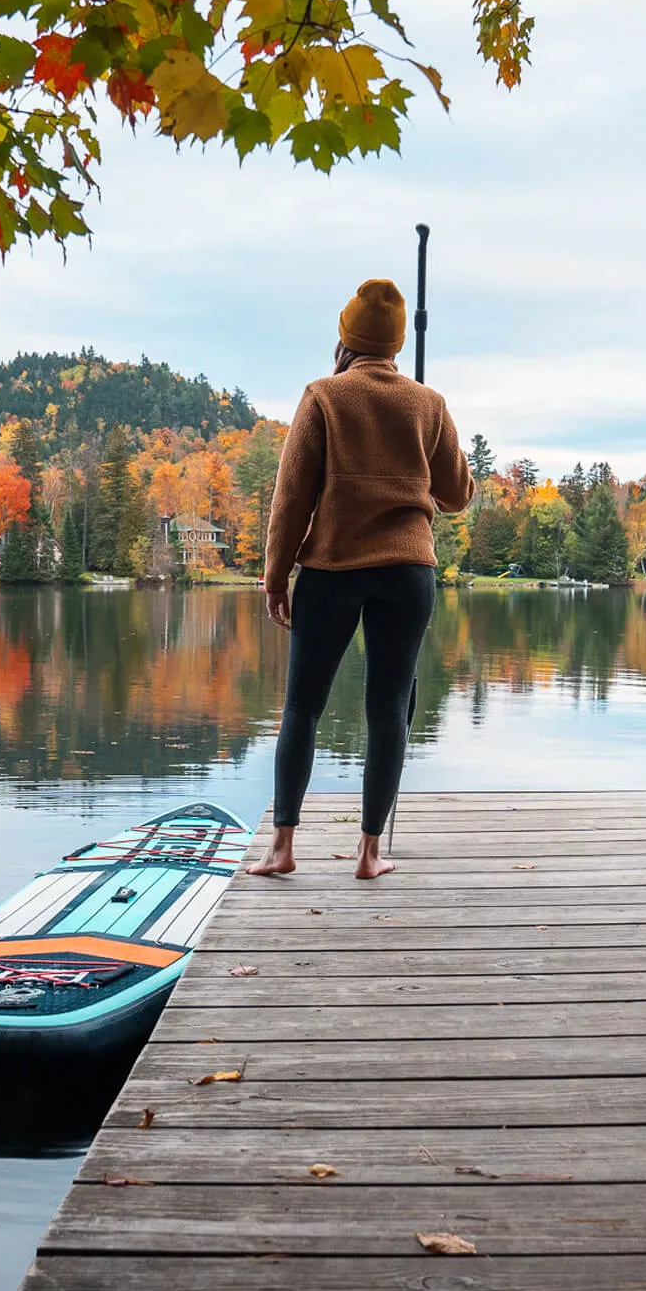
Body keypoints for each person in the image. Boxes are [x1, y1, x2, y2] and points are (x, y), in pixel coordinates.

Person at [248, 278, 474, 879]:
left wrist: (275, 576)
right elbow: (456, 496)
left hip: (331, 568)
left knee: (302, 709)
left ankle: (282, 848)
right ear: (399, 342)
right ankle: (369, 855)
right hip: (408, 572)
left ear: (346, 338)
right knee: (390, 709)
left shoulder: (323, 395)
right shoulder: (429, 403)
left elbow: (291, 497)